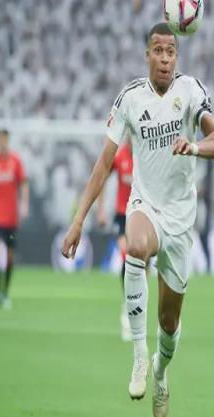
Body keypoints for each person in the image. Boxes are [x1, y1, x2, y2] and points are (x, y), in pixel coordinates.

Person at [61, 23, 214, 417]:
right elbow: (104, 163)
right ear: (147, 55)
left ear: (176, 57)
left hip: (180, 217)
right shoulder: (130, 99)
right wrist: (78, 219)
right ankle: (138, 355)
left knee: (169, 323)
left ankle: (160, 372)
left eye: (171, 51)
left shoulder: (192, 91)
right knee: (134, 246)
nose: (165, 58)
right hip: (145, 204)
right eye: (158, 50)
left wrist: (194, 146)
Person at [0, 129, 29, 309]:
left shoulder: (15, 161)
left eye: (4, 140)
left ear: (8, 140)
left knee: (9, 256)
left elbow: (23, 183)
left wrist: (24, 204)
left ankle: (5, 291)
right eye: (0, 140)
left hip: (11, 216)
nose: (2, 143)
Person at [97, 136, 134, 341]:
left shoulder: (146, 156)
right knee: (127, 258)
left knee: (142, 264)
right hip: (122, 215)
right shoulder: (120, 157)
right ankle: (127, 302)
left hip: (142, 215)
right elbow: (102, 177)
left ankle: (136, 300)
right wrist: (101, 209)